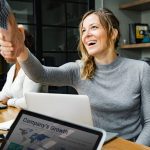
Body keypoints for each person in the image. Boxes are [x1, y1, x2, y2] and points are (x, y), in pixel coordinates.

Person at [0, 2, 150, 146]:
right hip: (93, 143)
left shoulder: (141, 70)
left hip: (128, 145)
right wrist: (21, 50)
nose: (86, 35)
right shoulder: (78, 70)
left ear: (113, 33)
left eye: (94, 27)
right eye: (83, 30)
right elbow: (41, 75)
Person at [0, 29, 44, 109]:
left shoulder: (33, 68)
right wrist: (8, 100)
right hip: (16, 114)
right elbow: (4, 94)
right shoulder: (12, 69)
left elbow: (28, 102)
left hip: (32, 118)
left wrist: (10, 101)